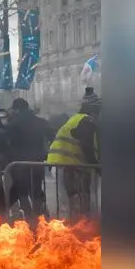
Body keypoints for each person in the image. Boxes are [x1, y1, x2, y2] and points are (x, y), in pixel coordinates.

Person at [47, 87, 101, 219]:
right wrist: (96, 166)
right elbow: (86, 145)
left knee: (68, 205)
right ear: (93, 109)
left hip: (61, 165)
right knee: (80, 204)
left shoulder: (76, 118)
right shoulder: (87, 121)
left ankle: (70, 233)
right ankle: (80, 233)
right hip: (72, 167)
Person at [5, 98, 56, 221]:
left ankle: (28, 218)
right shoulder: (40, 122)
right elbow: (53, 136)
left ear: (16, 110)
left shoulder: (13, 124)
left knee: (22, 192)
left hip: (19, 164)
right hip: (36, 162)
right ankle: (39, 218)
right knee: (36, 190)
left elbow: (6, 143)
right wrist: (45, 153)